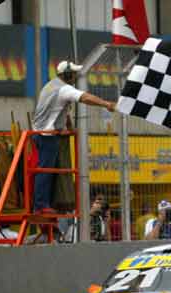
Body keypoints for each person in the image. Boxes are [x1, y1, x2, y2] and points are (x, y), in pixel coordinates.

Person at [32, 60, 116, 214]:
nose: (76, 77)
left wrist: (70, 128)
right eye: (74, 74)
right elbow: (85, 98)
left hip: (40, 133)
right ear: (68, 75)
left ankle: (44, 203)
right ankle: (40, 205)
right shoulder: (64, 89)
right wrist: (106, 104)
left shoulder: (51, 85)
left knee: (47, 170)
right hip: (48, 135)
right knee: (46, 170)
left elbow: (63, 110)